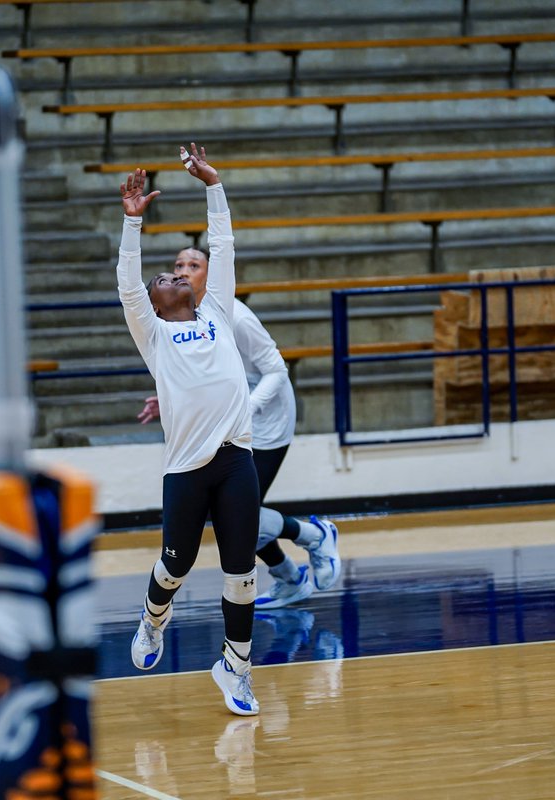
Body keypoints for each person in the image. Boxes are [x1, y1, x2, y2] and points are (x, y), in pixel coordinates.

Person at [117, 144, 261, 716]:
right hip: (185, 468)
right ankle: (153, 622)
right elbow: (128, 281)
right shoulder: (151, 333)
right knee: (174, 564)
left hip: (235, 458)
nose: (173, 273)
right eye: (163, 274)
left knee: (242, 573)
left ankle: (237, 668)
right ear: (152, 302)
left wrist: (214, 185)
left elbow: (222, 247)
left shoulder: (217, 313)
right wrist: (132, 221)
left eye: (180, 270)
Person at [136, 250, 342, 609]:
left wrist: (245, 408)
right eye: (178, 266)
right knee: (234, 516)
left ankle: (313, 535)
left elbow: (277, 370)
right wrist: (169, 399)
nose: (183, 271)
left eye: (193, 266)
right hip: (228, 422)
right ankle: (289, 577)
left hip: (266, 420)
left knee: (237, 515)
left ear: (210, 274)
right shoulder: (178, 324)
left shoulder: (238, 318)